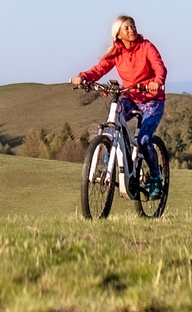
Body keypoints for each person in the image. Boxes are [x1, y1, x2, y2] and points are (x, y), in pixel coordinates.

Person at [71, 14, 167, 197]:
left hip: (152, 99)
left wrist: (157, 80)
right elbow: (100, 68)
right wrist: (83, 77)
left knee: (144, 139)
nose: (132, 30)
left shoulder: (146, 47)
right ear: (118, 35)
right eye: (127, 28)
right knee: (112, 124)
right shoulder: (117, 51)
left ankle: (155, 177)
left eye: (133, 26)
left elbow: (159, 67)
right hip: (130, 96)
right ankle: (110, 165)